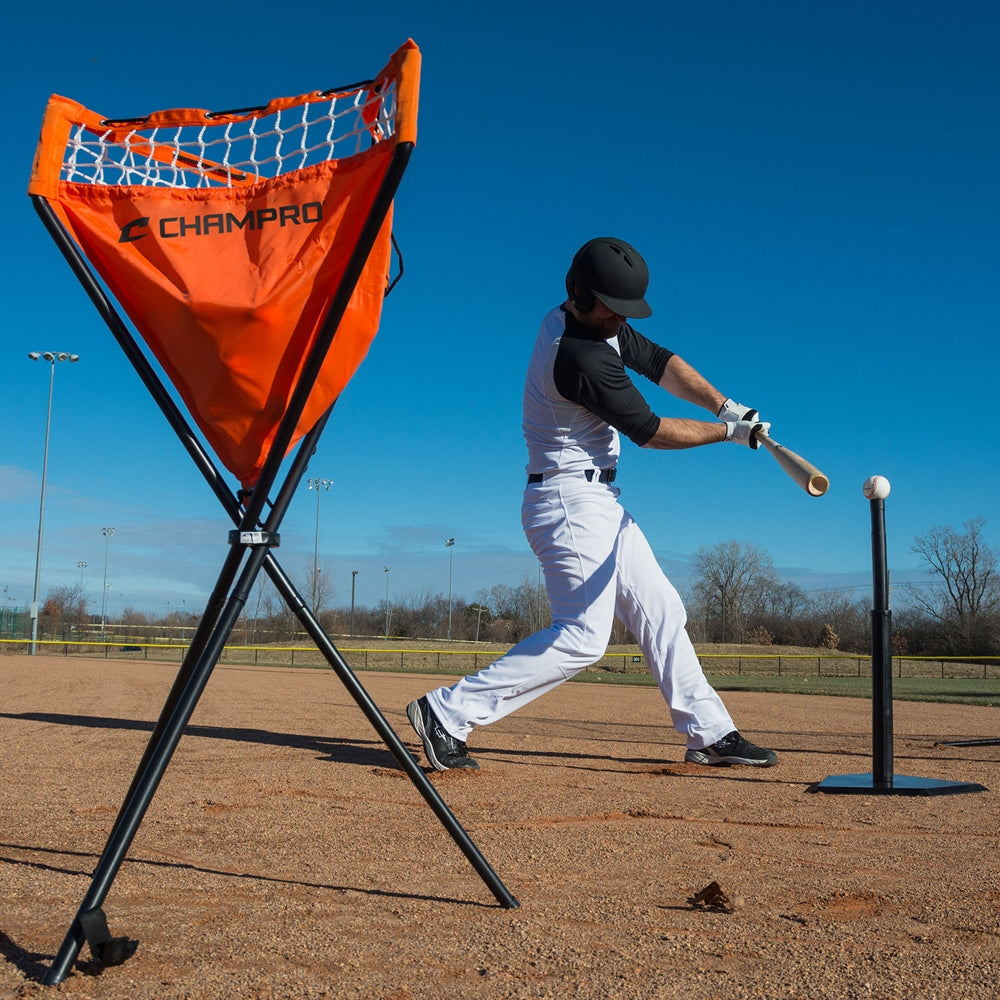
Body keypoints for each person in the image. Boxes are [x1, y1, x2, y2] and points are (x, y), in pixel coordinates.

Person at [407, 236, 778, 771]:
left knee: (662, 610)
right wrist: (728, 433)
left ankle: (709, 733)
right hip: (566, 500)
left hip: (596, 499)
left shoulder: (590, 319)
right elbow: (650, 432)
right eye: (613, 308)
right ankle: (447, 712)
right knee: (583, 637)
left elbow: (659, 361)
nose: (620, 320)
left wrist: (725, 404)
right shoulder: (578, 355)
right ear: (580, 295)